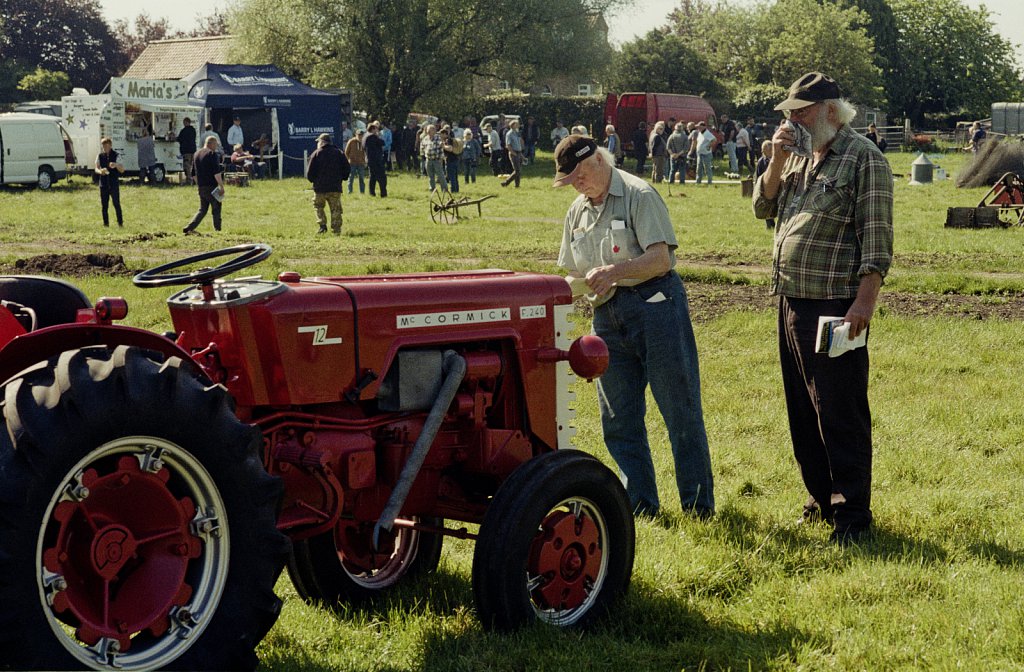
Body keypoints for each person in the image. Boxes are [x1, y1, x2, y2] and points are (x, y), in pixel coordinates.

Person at [752, 72, 893, 545]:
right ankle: (819, 498)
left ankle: (853, 515)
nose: (792, 119)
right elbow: (762, 208)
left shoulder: (863, 159)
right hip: (792, 300)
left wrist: (864, 303)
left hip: (835, 306)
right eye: (789, 112)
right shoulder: (796, 157)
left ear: (831, 111)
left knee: (839, 410)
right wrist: (773, 161)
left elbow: (876, 238)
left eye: (801, 112)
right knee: (803, 410)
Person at [552, 134, 716, 519]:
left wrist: (615, 271)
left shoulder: (639, 194)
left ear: (596, 160)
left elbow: (661, 259)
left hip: (656, 307)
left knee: (680, 410)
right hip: (606, 317)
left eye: (578, 175)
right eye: (570, 180)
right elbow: (574, 272)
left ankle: (697, 507)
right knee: (618, 417)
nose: (576, 184)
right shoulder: (577, 212)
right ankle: (640, 506)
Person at [306, 132, 351, 235]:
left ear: (322, 142)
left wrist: (313, 181)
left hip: (320, 188)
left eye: (318, 142)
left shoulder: (316, 154)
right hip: (335, 187)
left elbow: (310, 172)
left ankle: (322, 226)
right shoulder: (339, 153)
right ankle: (336, 230)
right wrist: (343, 178)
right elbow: (347, 168)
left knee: (318, 206)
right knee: (336, 209)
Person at [183, 136, 225, 234]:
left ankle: (189, 227)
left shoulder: (196, 154)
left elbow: (193, 173)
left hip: (201, 186)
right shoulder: (212, 154)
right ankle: (218, 230)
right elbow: (216, 172)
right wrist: (221, 186)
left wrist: (199, 183)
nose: (216, 147)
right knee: (217, 206)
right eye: (215, 145)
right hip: (211, 186)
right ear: (211, 144)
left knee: (203, 209)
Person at [95, 137, 124, 227]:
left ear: (110, 146)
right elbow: (96, 168)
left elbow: (122, 170)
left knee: (116, 203)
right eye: (103, 146)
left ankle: (120, 223)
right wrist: (100, 171)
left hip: (113, 183)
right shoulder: (100, 156)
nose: (105, 148)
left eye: (107, 146)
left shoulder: (116, 155)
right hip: (103, 184)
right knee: (104, 205)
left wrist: (115, 165)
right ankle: (106, 224)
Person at [755, 140, 775, 230]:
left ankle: (773, 223)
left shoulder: (777, 160)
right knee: (766, 204)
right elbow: (758, 175)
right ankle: (769, 224)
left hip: (775, 185)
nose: (763, 152)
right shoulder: (761, 161)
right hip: (765, 186)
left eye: (764, 150)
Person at [365, 122, 388, 197]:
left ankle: (372, 192)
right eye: (376, 129)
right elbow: (382, 142)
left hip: (370, 160)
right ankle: (383, 193)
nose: (377, 130)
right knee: (382, 177)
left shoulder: (365, 136)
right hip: (376, 160)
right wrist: (378, 136)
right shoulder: (372, 137)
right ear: (373, 129)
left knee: (373, 177)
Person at [439, 125, 462, 193]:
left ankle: (453, 191)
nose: (440, 136)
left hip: (450, 161)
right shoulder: (451, 139)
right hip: (455, 160)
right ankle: (456, 190)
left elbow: (450, 149)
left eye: (441, 134)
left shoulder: (448, 140)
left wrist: (443, 146)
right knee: (455, 177)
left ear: (444, 134)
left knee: (451, 177)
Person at [501, 119, 523, 188]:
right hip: (513, 153)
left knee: (518, 171)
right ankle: (506, 182)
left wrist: (521, 154)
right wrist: (513, 153)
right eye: (517, 124)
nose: (518, 125)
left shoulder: (517, 133)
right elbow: (508, 145)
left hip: (519, 152)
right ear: (513, 125)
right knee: (517, 170)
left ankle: (517, 185)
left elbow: (519, 142)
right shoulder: (509, 134)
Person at [345, 129, 367, 193]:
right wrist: (349, 159)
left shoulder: (364, 142)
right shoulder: (351, 141)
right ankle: (349, 191)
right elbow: (346, 152)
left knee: (361, 178)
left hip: (361, 163)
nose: (360, 137)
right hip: (352, 163)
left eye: (361, 135)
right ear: (356, 135)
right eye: (359, 135)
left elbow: (366, 152)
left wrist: (365, 161)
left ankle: (362, 192)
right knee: (351, 178)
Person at [178, 117, 197, 186]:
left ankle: (189, 180)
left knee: (187, 165)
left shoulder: (184, 131)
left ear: (186, 122)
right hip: (193, 150)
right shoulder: (193, 130)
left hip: (186, 150)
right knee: (192, 165)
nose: (183, 123)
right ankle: (194, 179)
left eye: (184, 122)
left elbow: (180, 139)